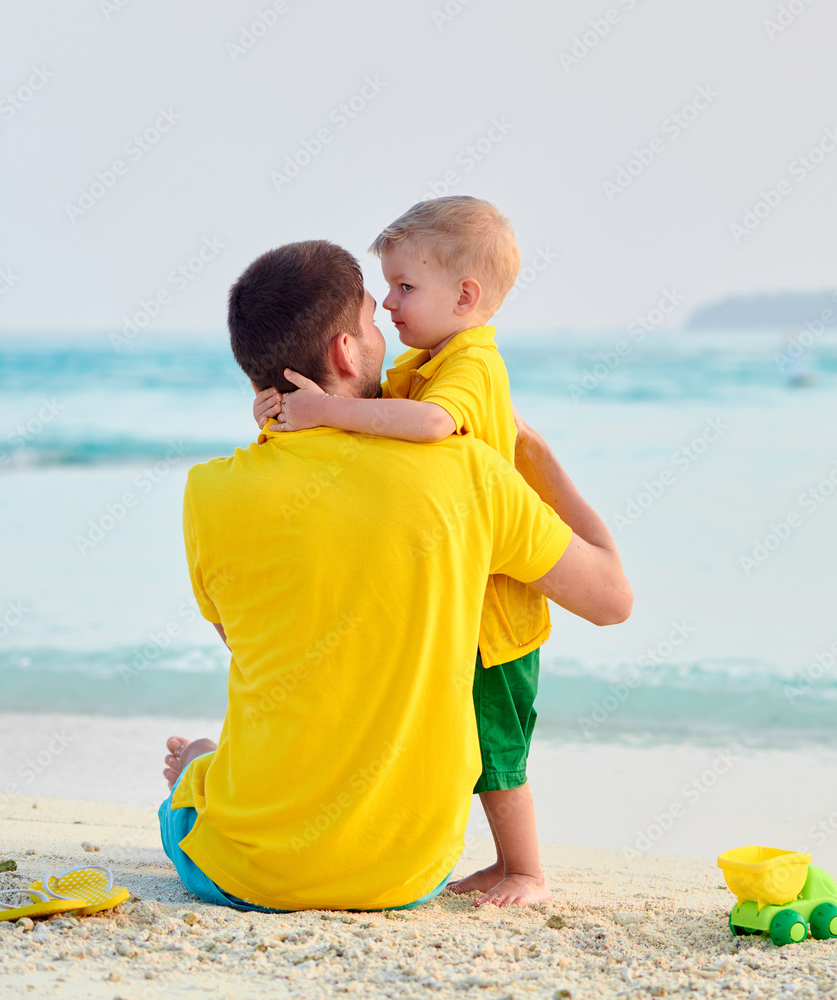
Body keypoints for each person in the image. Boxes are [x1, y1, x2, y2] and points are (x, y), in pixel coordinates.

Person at [160, 238, 632, 913]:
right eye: (371, 319)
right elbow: (613, 599)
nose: (387, 318)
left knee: (190, 792)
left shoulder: (209, 494)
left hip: (243, 873)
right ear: (347, 352)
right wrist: (536, 451)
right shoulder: (467, 473)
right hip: (406, 876)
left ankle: (200, 768)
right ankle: (204, 763)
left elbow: (259, 642)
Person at [250, 197, 593, 906]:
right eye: (388, 287)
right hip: (456, 594)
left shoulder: (472, 360)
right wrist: (291, 414)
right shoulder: (426, 359)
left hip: (494, 608)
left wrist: (331, 410)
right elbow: (378, 417)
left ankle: (525, 869)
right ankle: (497, 863)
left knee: (498, 748)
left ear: (467, 297)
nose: (387, 301)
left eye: (405, 288)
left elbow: (431, 425)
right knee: (466, 738)